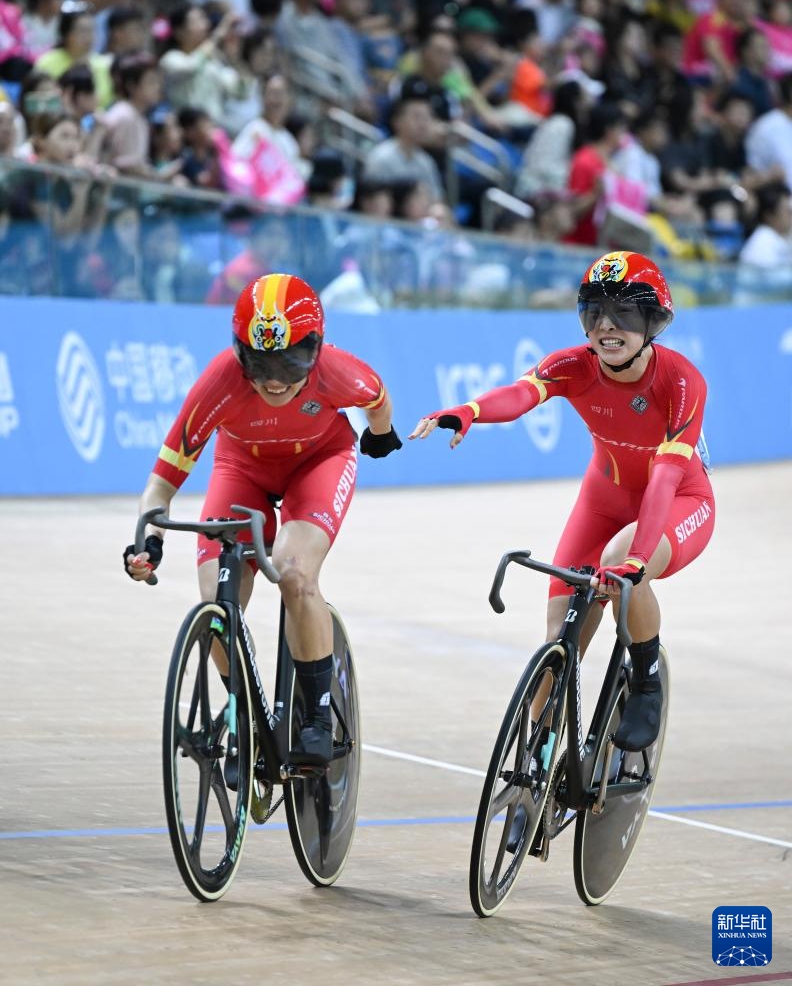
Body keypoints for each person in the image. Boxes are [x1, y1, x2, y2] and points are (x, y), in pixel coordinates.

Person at [411, 250, 715, 768]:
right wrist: (470, 411)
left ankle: (646, 681)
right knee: (558, 643)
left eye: (623, 313)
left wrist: (637, 559)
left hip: (680, 499)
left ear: (653, 320)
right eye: (595, 312)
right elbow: (520, 394)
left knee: (621, 563)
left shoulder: (682, 381)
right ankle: (538, 767)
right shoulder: (574, 365)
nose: (606, 326)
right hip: (603, 499)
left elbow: (665, 476)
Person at [124, 273, 402, 765]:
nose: (274, 380)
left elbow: (378, 402)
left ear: (315, 350)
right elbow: (161, 485)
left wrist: (380, 436)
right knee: (216, 603)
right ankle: (247, 718)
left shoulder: (337, 371)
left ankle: (316, 716)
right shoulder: (220, 381)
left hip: (318, 460)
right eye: (259, 364)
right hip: (242, 469)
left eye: (289, 363)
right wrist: (149, 539)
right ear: (239, 354)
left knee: (294, 572)